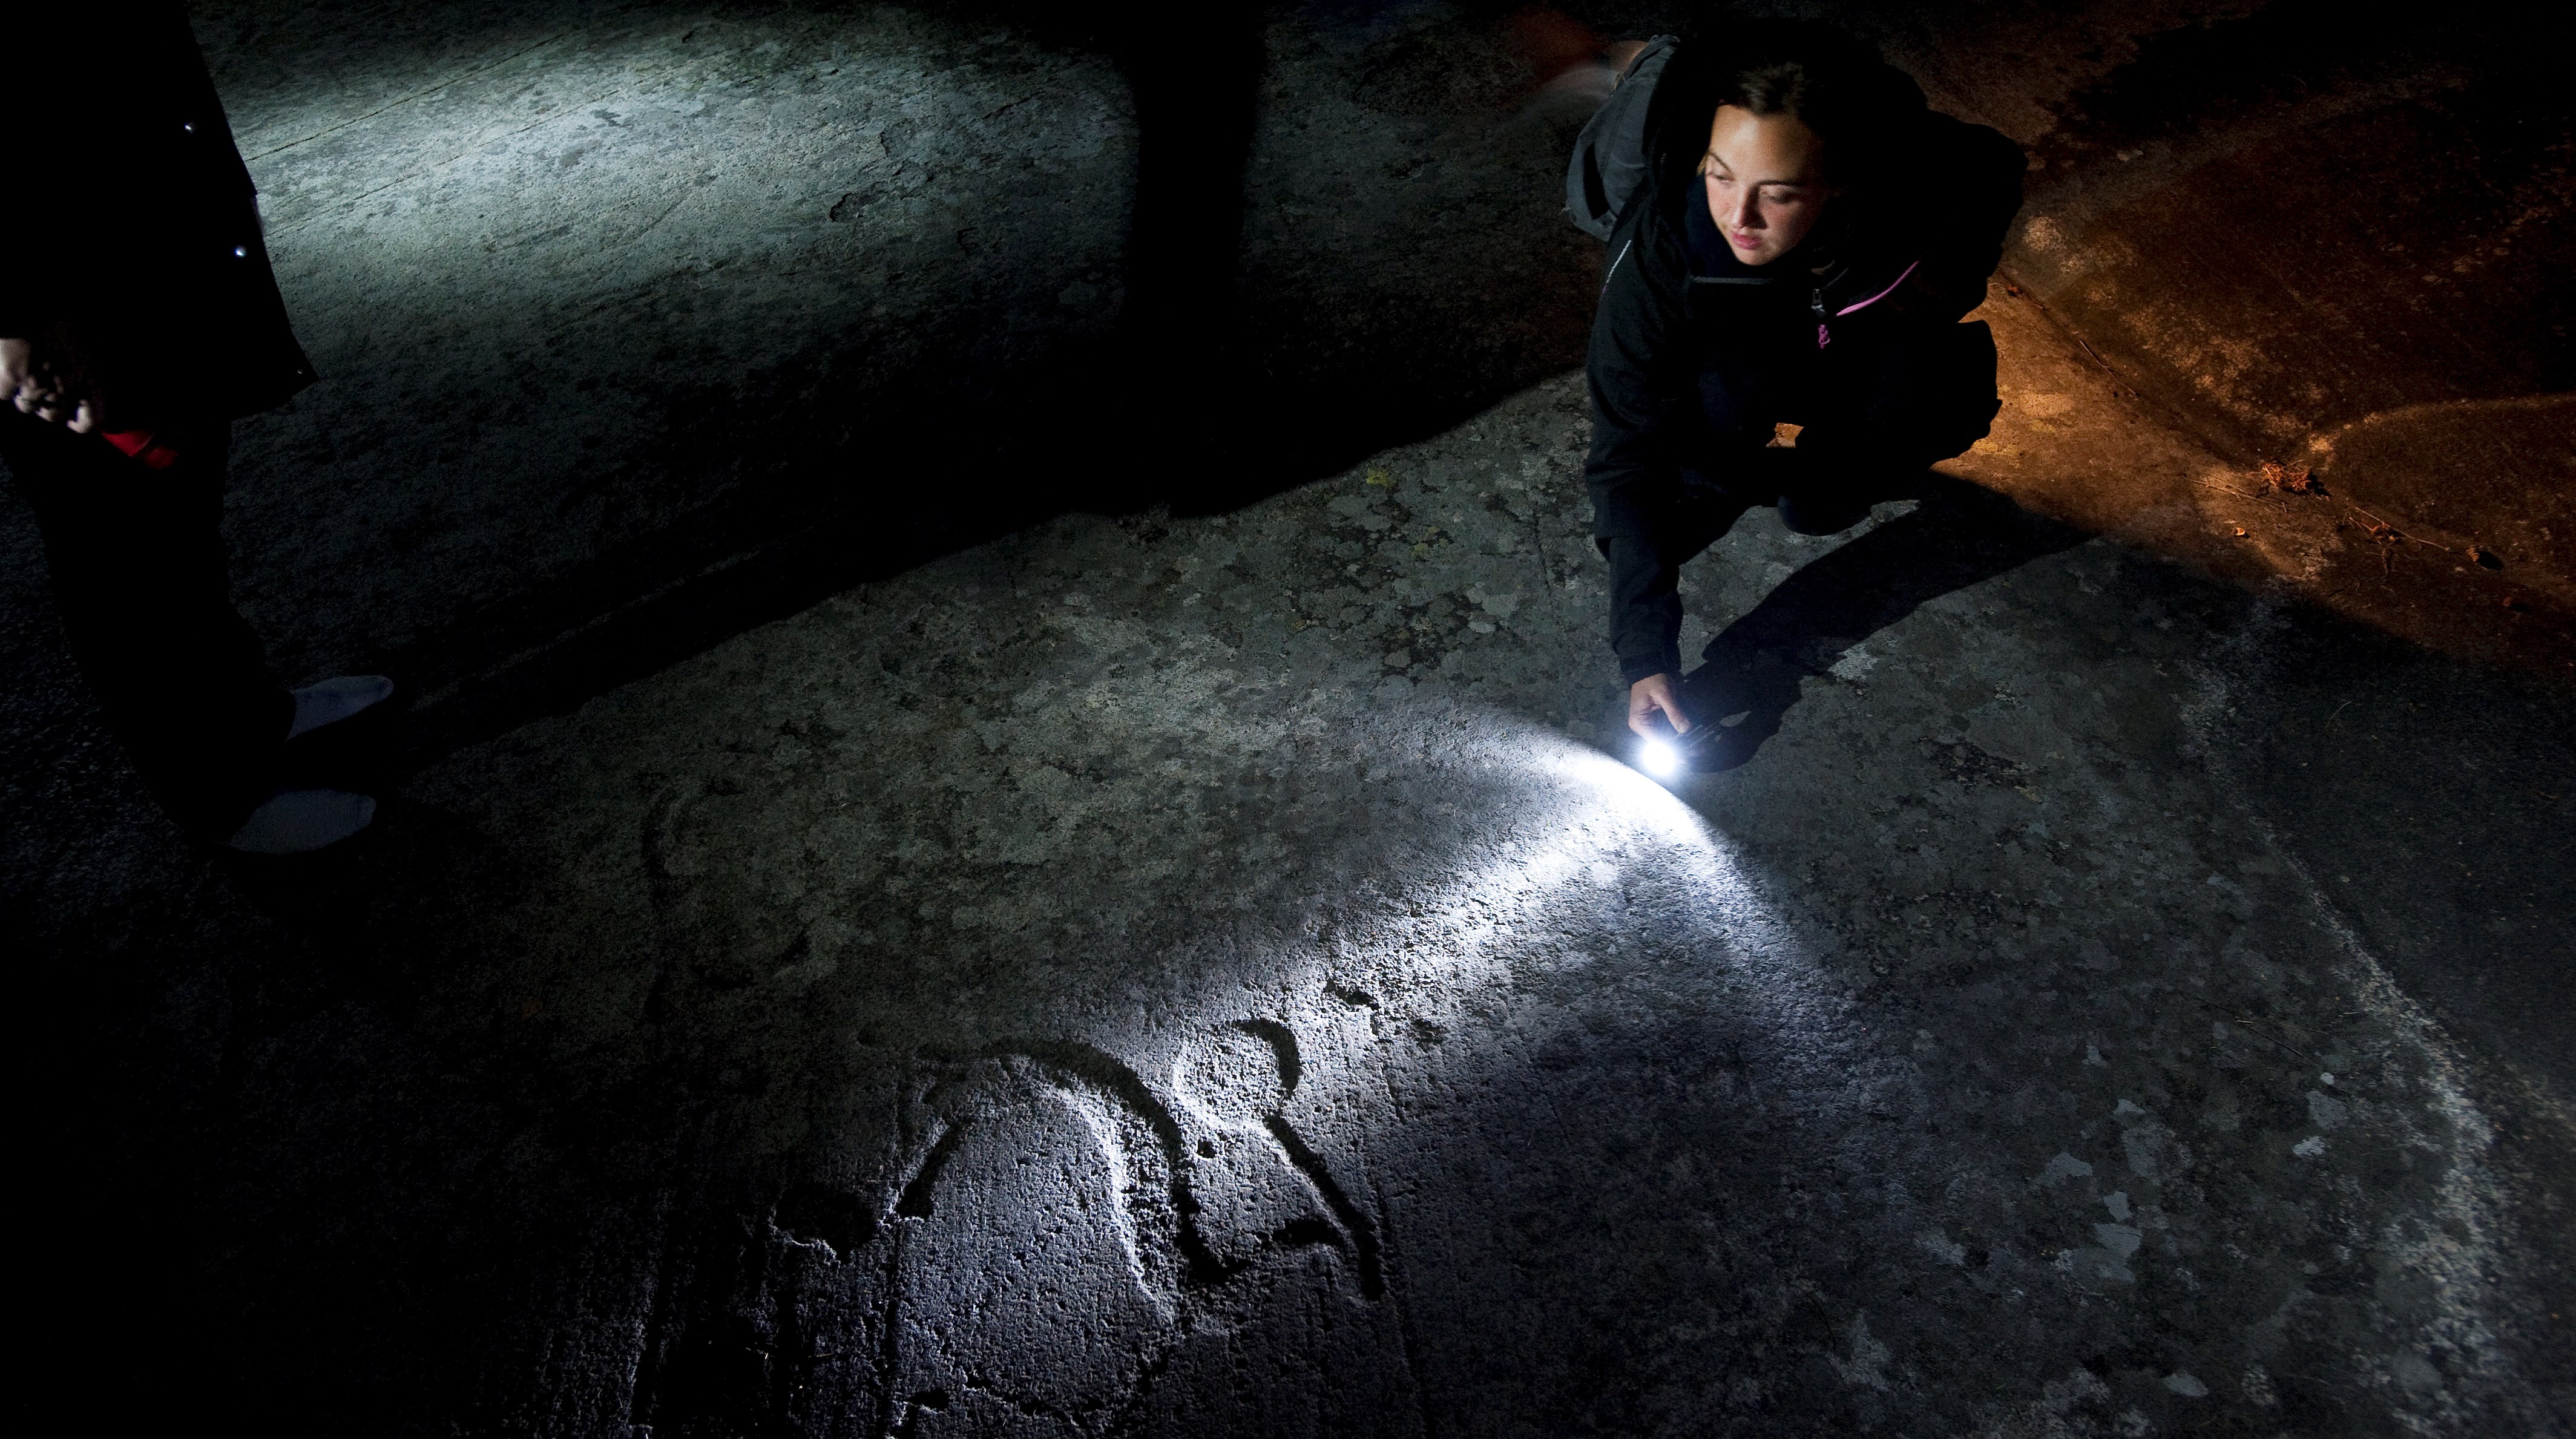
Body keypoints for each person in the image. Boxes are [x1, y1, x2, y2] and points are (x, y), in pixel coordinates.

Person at [2, 3, 390, 852]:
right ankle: (220, 799)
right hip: (59, 268)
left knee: (179, 512)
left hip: (134, 220)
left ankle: (248, 714)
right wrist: (22, 313)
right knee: (117, 554)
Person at [1580, 21, 2025, 746]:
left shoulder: (1926, 200)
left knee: (1827, 497)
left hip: (1836, 314)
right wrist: (1645, 654)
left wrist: (1900, 309)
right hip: (1735, 326)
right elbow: (1624, 451)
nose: (1737, 216)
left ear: (1839, 183)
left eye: (1776, 192)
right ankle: (1645, 64)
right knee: (1672, 503)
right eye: (1720, 174)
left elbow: (1992, 173)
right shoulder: (1666, 254)